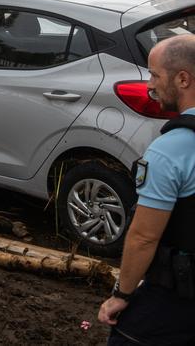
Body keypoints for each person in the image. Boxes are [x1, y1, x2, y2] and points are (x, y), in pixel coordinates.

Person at [98, 35, 195, 344]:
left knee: (127, 335)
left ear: (183, 79)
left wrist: (121, 294)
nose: (150, 85)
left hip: (180, 295)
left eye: (154, 74)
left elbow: (144, 237)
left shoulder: (172, 149)